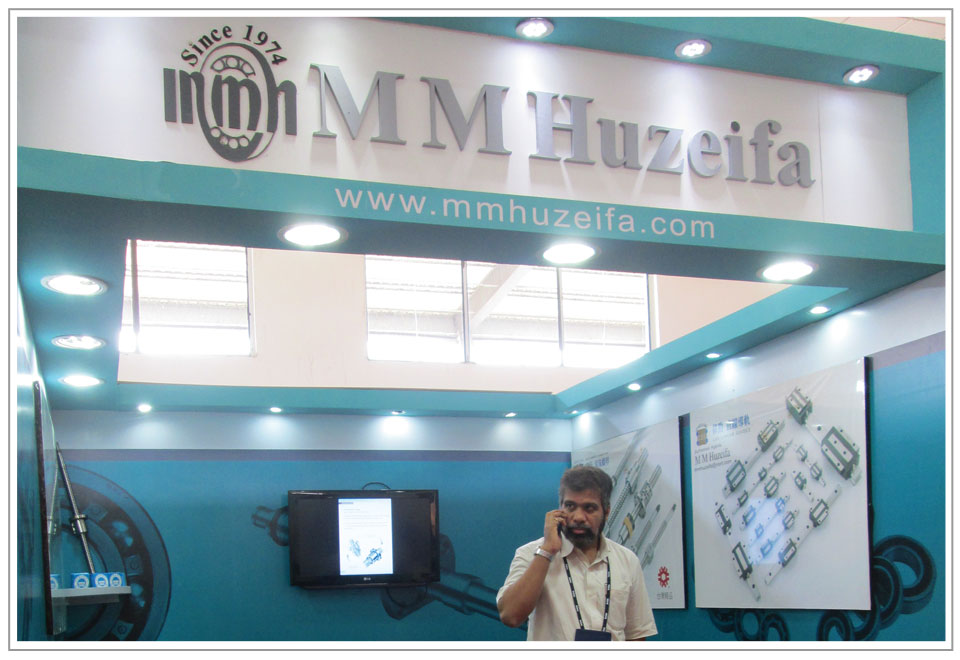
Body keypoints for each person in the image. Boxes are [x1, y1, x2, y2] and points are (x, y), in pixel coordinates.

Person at [496, 465, 657, 641]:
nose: (578, 517)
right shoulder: (532, 553)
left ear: (606, 512)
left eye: (589, 508)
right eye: (570, 506)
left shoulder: (627, 561)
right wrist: (547, 551)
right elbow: (510, 615)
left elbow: (636, 635)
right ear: (559, 508)